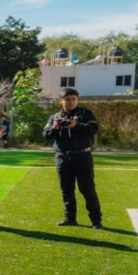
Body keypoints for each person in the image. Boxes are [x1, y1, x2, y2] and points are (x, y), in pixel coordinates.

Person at [43, 88, 102, 228]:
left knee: (87, 188)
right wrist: (55, 128)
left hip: (82, 156)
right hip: (62, 157)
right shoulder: (54, 117)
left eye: (74, 99)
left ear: (77, 100)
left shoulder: (86, 114)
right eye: (67, 99)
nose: (71, 102)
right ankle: (70, 218)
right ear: (61, 101)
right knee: (66, 189)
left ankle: (96, 221)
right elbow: (45, 135)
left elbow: (94, 129)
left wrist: (76, 125)